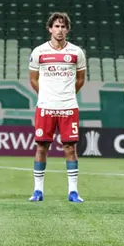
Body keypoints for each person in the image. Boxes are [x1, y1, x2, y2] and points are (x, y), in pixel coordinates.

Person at [28, 12, 87, 202]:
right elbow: (33, 79)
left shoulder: (76, 53)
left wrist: (66, 94)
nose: (59, 30)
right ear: (50, 28)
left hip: (68, 107)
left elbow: (80, 80)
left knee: (70, 148)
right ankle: (37, 191)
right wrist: (47, 94)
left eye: (63, 26)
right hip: (45, 106)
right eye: (56, 26)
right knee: (42, 147)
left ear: (67, 29)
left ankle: (73, 192)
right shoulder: (39, 52)